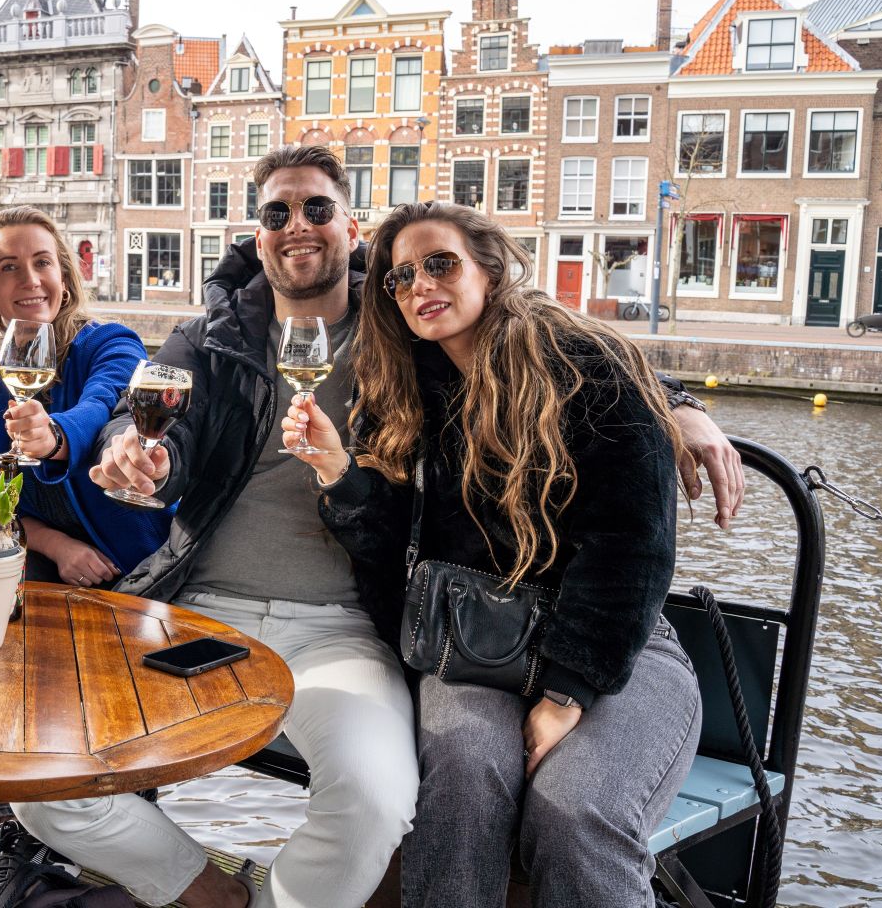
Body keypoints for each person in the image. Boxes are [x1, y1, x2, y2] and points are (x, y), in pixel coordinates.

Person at [12, 146, 742, 908]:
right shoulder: (219, 339)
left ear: (350, 228)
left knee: (413, 800)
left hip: (352, 624)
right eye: (277, 215)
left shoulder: (398, 336)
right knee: (40, 767)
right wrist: (136, 448)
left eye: (317, 209)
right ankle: (216, 897)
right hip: (221, 614)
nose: (297, 226)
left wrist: (679, 405)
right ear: (257, 237)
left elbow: (560, 360)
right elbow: (152, 409)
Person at [284, 200, 704, 906]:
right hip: (472, 639)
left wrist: (567, 692)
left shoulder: (588, 368)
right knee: (462, 775)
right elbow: (394, 553)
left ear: (489, 267)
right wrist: (338, 474)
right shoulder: (405, 392)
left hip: (612, 646)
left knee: (576, 812)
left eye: (440, 263)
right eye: (400, 277)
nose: (419, 284)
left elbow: (633, 544)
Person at [0, 205, 170, 585]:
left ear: (63, 277)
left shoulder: (111, 344)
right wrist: (57, 546)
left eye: (42, 262)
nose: (30, 279)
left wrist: (53, 437)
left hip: (141, 567)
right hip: (48, 565)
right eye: (9, 267)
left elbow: (101, 405)